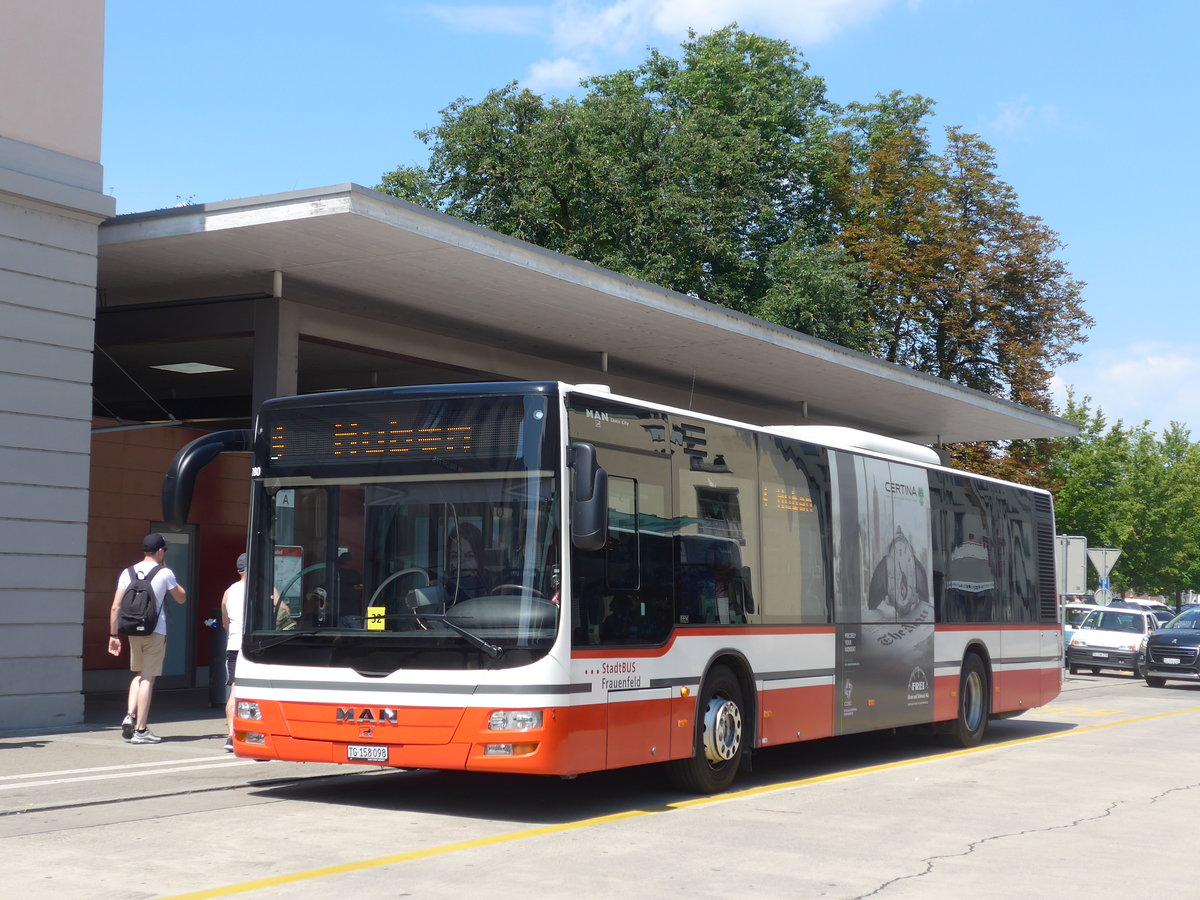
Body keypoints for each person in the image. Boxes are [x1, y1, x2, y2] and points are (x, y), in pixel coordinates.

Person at [108, 533, 186, 744]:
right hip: (155, 630)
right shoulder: (165, 572)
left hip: (132, 629)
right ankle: (141, 730)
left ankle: (129, 715)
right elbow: (181, 598)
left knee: (139, 673)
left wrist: (113, 635)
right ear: (160, 551)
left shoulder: (128, 572)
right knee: (148, 679)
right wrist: (168, 573)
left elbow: (115, 606)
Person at [220, 552, 247, 753]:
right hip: (255, 647)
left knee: (234, 690)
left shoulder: (228, 591)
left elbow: (225, 624)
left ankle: (231, 735)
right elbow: (286, 612)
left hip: (233, 645)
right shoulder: (261, 589)